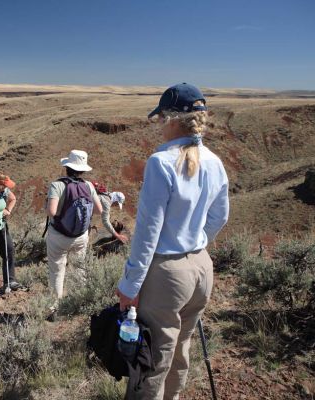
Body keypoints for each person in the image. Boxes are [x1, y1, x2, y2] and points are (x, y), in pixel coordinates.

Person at [116, 83, 229, 399]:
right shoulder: (214, 161)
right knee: (181, 349)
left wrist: (130, 286)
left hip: (167, 273)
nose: (158, 127)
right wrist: (196, 243)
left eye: (160, 119)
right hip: (201, 269)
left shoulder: (162, 162)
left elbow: (148, 232)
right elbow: (220, 217)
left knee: (152, 357)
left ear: (170, 118)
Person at [45, 150, 103, 305]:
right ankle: (79, 302)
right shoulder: (88, 185)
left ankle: (54, 307)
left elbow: (52, 212)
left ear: (67, 167)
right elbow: (99, 210)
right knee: (79, 268)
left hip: (58, 235)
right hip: (80, 236)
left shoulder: (57, 185)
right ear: (83, 169)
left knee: (57, 271)